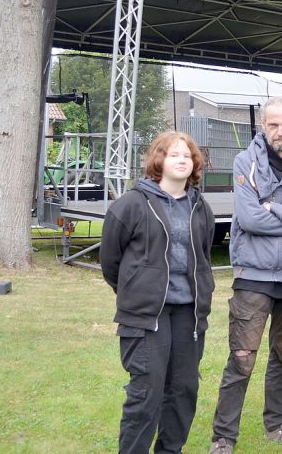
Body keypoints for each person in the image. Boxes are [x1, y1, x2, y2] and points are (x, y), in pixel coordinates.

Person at [209, 97, 282, 454]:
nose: (279, 131)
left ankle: (276, 426)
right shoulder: (245, 162)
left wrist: (274, 207)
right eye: (273, 124)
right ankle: (223, 438)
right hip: (253, 277)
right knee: (242, 357)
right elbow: (249, 219)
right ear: (262, 125)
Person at [101, 131, 216, 454]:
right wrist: (139, 289)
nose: (182, 160)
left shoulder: (200, 207)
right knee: (146, 394)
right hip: (146, 315)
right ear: (159, 160)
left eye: (187, 155)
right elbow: (111, 261)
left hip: (188, 313)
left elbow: (204, 253)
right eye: (173, 154)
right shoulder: (132, 205)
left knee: (183, 391)